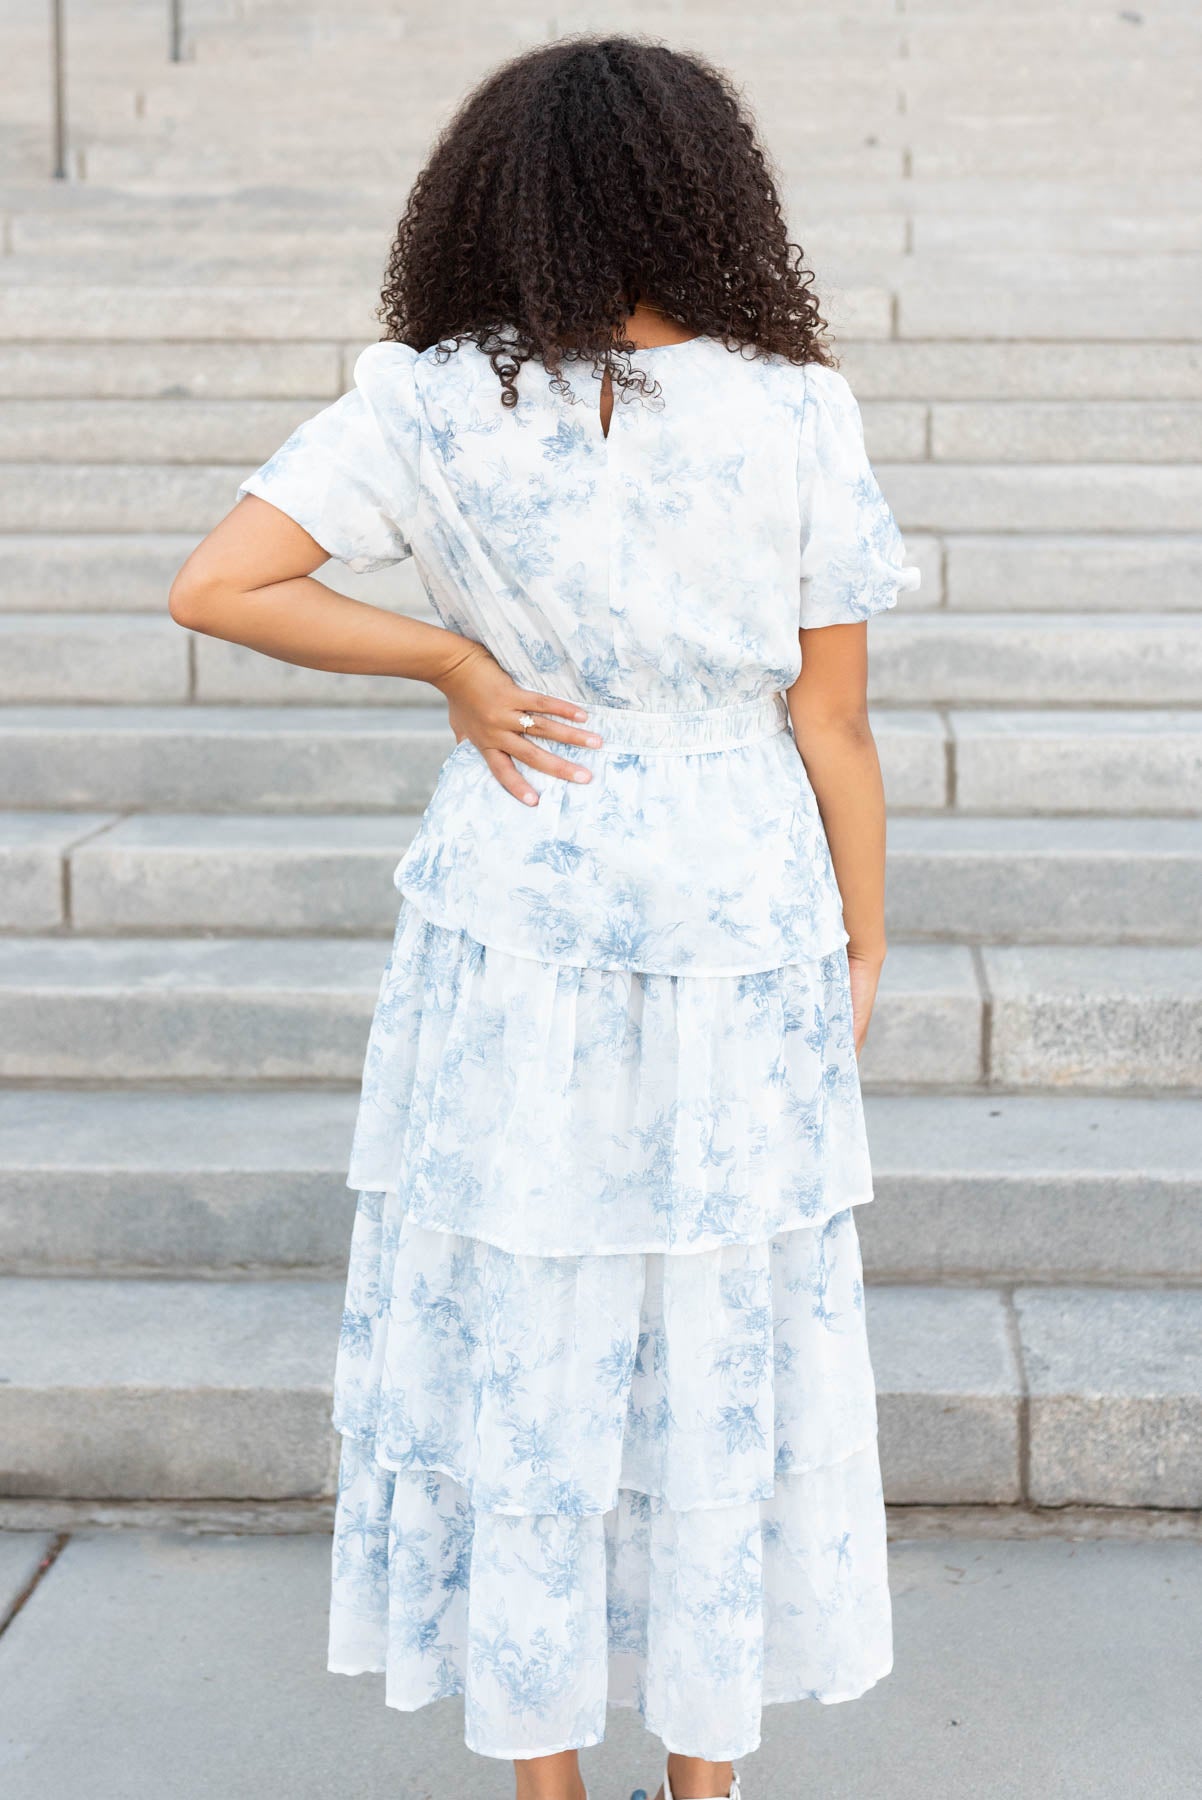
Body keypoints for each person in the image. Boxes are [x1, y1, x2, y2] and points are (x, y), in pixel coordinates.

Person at [169, 32, 919, 1800]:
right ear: (706, 191)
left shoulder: (427, 398)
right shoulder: (795, 405)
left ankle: (543, 1778)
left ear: (494, 199)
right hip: (743, 904)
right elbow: (834, 719)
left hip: (519, 895)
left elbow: (220, 584)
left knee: (523, 1319)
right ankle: (702, 1778)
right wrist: (863, 937)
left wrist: (448, 655)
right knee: (719, 1327)